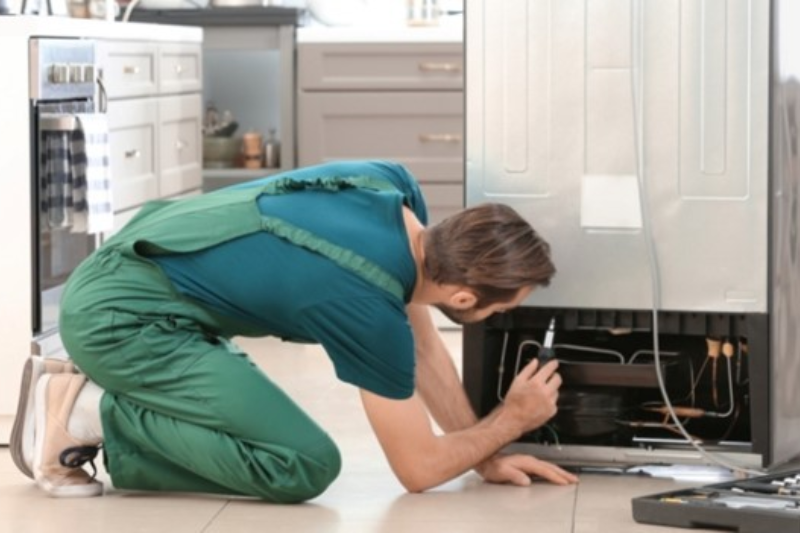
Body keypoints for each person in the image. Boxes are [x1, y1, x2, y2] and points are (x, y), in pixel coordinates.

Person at [11, 159, 577, 502]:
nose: (500, 318)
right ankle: (80, 411)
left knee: (274, 433)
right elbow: (418, 470)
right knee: (302, 465)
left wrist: (484, 457)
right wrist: (511, 420)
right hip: (122, 321)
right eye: (501, 310)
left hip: (144, 275)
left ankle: (91, 402)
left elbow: (425, 347)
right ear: (463, 297)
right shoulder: (365, 302)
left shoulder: (392, 188)